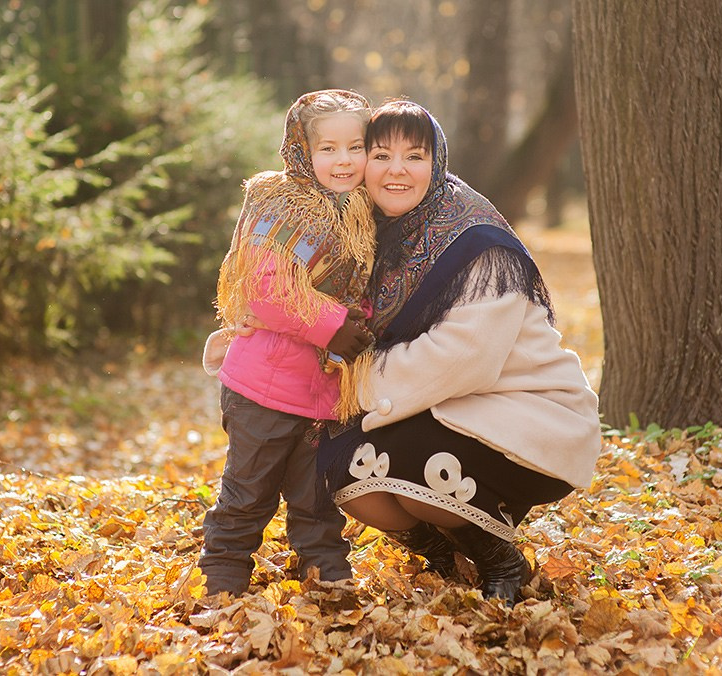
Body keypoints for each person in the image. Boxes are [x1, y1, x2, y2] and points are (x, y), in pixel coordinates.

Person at [318, 100, 602, 604]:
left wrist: (352, 385)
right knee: (338, 463)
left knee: (407, 461)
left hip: (529, 414)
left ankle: (500, 560)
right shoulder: (375, 235)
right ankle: (444, 557)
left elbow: (462, 359)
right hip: (453, 407)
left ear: (438, 162)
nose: (397, 170)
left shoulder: (477, 241)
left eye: (415, 156)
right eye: (381, 155)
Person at [197, 89, 376, 596]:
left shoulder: (361, 214)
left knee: (318, 500)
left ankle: (329, 576)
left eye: (356, 147)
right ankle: (224, 579)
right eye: (328, 149)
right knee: (248, 494)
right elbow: (267, 289)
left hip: (323, 394)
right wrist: (335, 326)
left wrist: (360, 324)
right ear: (302, 149)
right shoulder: (282, 204)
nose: (344, 160)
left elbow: (362, 288)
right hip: (263, 389)